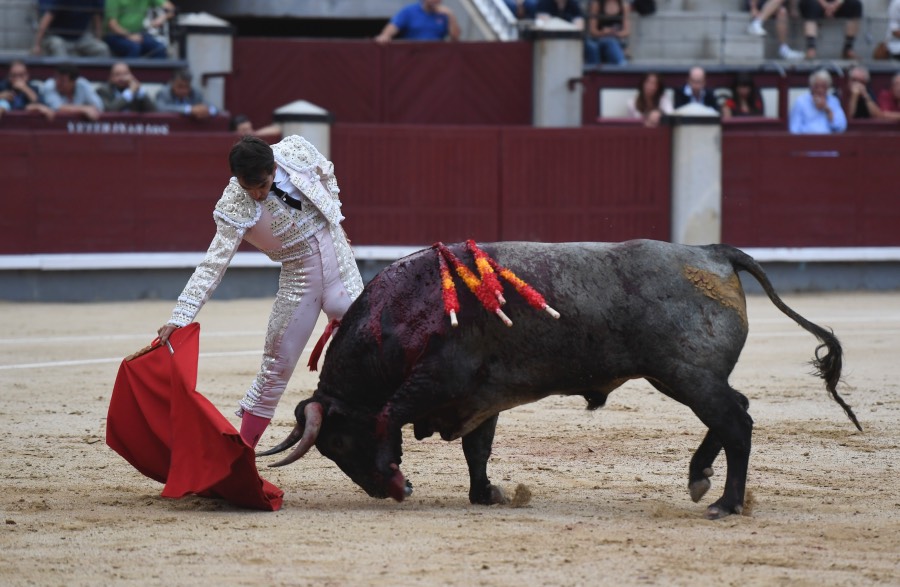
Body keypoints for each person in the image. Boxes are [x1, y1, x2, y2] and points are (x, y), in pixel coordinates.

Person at [156, 135, 364, 448]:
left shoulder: (296, 151)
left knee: (371, 346)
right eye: (247, 187)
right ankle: (244, 450)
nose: (256, 194)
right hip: (299, 281)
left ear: (273, 167)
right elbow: (213, 265)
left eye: (262, 185)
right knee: (275, 368)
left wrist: (335, 216)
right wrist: (181, 315)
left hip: (341, 268)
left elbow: (326, 172)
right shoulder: (233, 204)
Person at [32, 0, 110, 57]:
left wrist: (98, 39)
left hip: (81, 37)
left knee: (102, 48)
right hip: (59, 38)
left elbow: (97, 19)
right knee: (57, 45)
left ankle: (96, 79)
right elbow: (46, 20)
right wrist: (37, 45)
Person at [104, 0, 175, 59]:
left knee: (160, 48)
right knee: (134, 47)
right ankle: (130, 75)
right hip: (115, 35)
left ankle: (156, 75)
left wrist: (162, 18)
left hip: (138, 34)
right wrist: (129, 36)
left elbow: (171, 9)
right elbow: (112, 25)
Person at [797, 0, 862, 60]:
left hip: (838, 4)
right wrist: (825, 5)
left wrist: (836, 4)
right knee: (809, 4)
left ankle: (848, 49)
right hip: (816, 3)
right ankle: (811, 49)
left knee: (855, 5)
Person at [789, 68, 846, 133]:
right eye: (816, 87)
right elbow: (794, 129)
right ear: (811, 87)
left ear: (828, 87)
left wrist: (828, 110)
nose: (820, 90)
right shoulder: (801, 102)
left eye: (823, 87)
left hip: (829, 140)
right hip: (807, 140)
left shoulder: (834, 101)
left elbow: (841, 127)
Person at [375, 0, 460, 43]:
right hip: (413, 56)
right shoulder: (409, 11)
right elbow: (393, 26)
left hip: (436, 58)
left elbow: (455, 38)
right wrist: (385, 35)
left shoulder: (444, 14)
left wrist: (451, 16)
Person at [586, 0, 630, 66]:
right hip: (600, 40)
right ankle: (622, 66)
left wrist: (615, 33)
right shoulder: (596, 5)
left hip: (617, 41)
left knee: (612, 43)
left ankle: (621, 67)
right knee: (609, 42)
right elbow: (592, 31)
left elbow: (627, 31)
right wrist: (603, 32)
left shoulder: (624, 5)